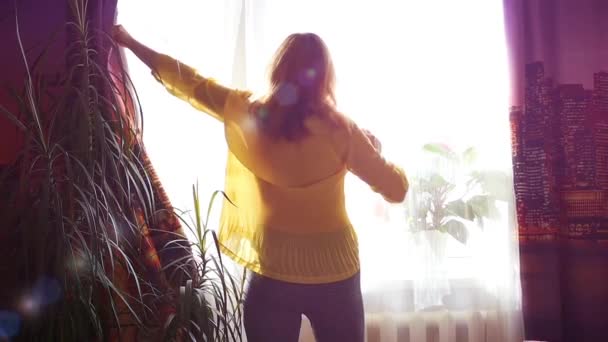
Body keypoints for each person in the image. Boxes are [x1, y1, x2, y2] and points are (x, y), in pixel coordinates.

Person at [112, 25, 408, 342]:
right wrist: (375, 151)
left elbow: (190, 82)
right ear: (325, 77)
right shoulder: (343, 131)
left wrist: (130, 42)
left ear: (279, 70)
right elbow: (396, 189)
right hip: (336, 273)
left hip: (273, 273)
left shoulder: (251, 114)